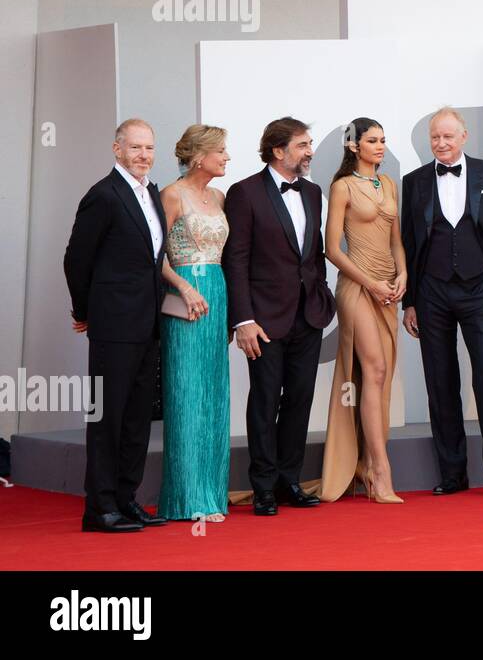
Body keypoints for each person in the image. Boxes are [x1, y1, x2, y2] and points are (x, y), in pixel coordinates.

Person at [401, 107, 483, 495]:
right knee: (440, 380)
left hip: (479, 289)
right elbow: (410, 242)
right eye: (435, 137)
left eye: (448, 136)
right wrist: (411, 302)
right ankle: (452, 474)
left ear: (464, 136)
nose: (441, 143)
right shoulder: (413, 181)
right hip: (431, 291)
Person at [225, 117, 336, 516]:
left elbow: (314, 251)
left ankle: (290, 479)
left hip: (308, 315)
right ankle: (263, 487)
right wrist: (243, 319)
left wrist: (321, 295)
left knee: (300, 400)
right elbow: (235, 261)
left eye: (309, 144)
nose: (309, 152)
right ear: (278, 150)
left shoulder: (313, 191)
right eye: (303, 145)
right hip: (264, 320)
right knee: (265, 400)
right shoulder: (244, 193)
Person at [64, 118, 170, 533]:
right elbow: (76, 258)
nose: (144, 156)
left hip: (147, 323)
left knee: (137, 417)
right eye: (136, 148)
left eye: (149, 148)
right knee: (108, 416)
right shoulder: (103, 195)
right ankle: (100, 507)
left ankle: (127, 500)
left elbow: (151, 259)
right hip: (114, 324)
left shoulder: (151, 194)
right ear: (117, 149)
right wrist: (84, 311)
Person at [318, 118, 405, 503]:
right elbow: (332, 249)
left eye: (383, 140)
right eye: (373, 141)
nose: (380, 146)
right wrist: (370, 283)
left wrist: (403, 275)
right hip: (358, 287)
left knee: (382, 376)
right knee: (375, 369)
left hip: (389, 288)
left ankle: (371, 463)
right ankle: (379, 471)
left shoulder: (388, 184)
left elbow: (396, 241)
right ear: (354, 146)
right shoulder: (342, 187)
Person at [156, 125, 232, 522]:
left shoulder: (218, 196)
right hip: (186, 298)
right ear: (200, 156)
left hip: (217, 293)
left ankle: (212, 494)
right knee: (187, 394)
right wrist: (184, 287)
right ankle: (186, 498)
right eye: (221, 151)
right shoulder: (171, 194)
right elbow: (155, 253)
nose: (226, 157)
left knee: (213, 393)